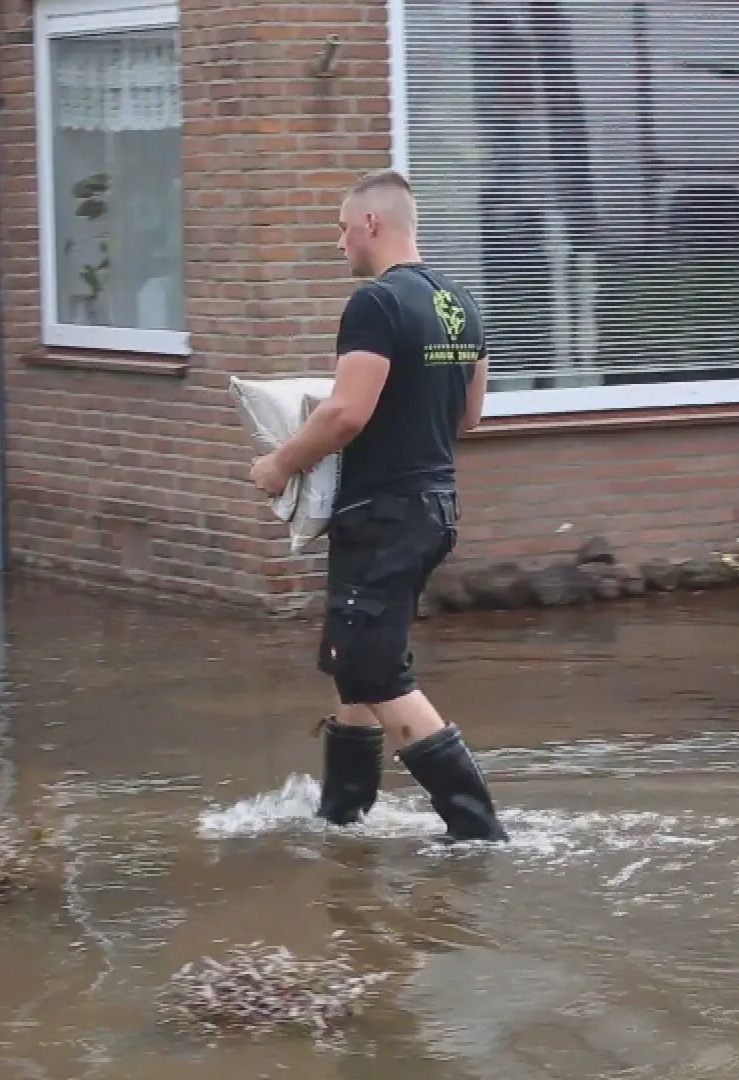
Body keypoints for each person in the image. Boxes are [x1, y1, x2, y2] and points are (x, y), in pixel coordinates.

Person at [249, 170, 509, 844]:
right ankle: (343, 815)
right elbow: (471, 416)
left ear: (372, 223)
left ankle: (478, 830)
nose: (338, 242)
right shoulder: (462, 302)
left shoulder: (377, 304)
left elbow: (344, 414)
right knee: (351, 657)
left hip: (382, 513)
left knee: (373, 668)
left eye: (342, 227)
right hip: (433, 508)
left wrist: (279, 464)